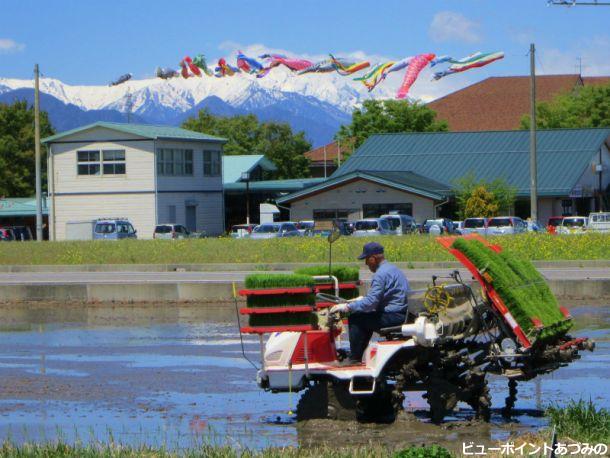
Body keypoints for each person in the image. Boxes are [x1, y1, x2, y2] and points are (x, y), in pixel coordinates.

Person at [330, 242, 409, 364]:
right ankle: (357, 355)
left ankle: (354, 358)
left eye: (366, 259)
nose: (366, 263)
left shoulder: (380, 274)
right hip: (401, 313)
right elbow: (380, 298)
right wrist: (360, 300)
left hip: (392, 316)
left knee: (356, 317)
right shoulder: (393, 269)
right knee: (366, 316)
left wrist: (348, 307)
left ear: (373, 258)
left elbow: (371, 303)